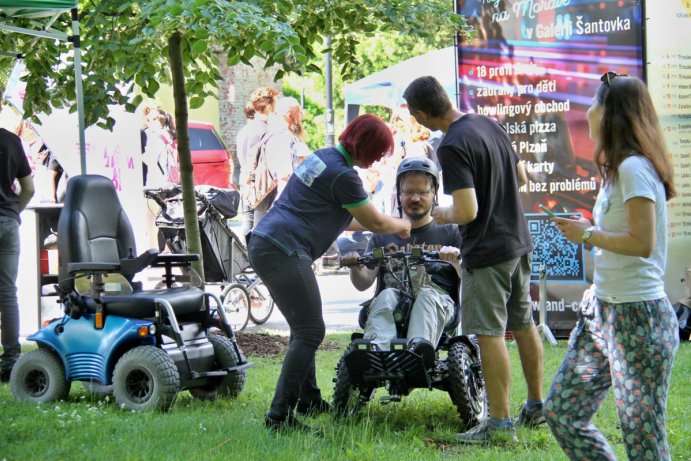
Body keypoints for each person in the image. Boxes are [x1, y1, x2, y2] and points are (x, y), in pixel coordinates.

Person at [248, 114, 411, 434]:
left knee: (302, 327)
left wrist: (383, 219)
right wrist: (403, 224)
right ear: (365, 145)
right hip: (283, 248)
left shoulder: (323, 158)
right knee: (310, 330)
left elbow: (350, 218)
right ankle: (279, 417)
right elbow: (376, 223)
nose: (378, 159)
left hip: (267, 241)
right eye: (378, 151)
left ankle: (308, 399)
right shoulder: (343, 175)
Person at [544, 73, 679, 461]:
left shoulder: (635, 168)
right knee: (562, 412)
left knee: (643, 441)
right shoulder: (617, 170)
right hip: (603, 312)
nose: (587, 111)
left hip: (638, 318)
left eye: (593, 103)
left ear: (610, 113)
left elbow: (641, 242)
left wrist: (588, 235)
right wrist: (591, 232)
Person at [402, 75, 544, 444]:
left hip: (487, 250)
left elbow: (466, 210)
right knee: (524, 322)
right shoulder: (488, 124)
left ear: (419, 113)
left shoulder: (451, 144)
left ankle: (499, 425)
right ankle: (537, 405)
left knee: (489, 332)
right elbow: (521, 178)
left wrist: (439, 213)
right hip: (518, 241)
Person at [342, 157, 461, 361]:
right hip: (395, 302)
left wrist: (456, 261)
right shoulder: (383, 234)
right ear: (399, 193)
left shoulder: (450, 232)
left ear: (434, 193)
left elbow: (469, 277)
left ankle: (416, 355)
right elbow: (364, 283)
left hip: (438, 302)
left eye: (422, 192)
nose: (415, 198)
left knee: (426, 296)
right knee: (386, 294)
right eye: (408, 192)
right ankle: (374, 354)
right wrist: (354, 267)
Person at [0, 125, 35, 382]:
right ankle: (11, 359)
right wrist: (15, 213)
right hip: (9, 222)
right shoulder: (12, 140)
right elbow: (29, 189)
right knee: (7, 293)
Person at [252, 96, 310, 226]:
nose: (302, 117)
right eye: (300, 113)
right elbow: (285, 178)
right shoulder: (281, 138)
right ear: (290, 116)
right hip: (282, 210)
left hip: (282, 209)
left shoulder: (284, 136)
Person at [236, 87, 279, 239]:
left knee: (247, 220)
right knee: (261, 221)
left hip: (245, 180)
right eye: (275, 103)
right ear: (268, 106)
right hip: (261, 184)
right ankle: (256, 258)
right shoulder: (267, 131)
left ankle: (244, 257)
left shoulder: (243, 131)